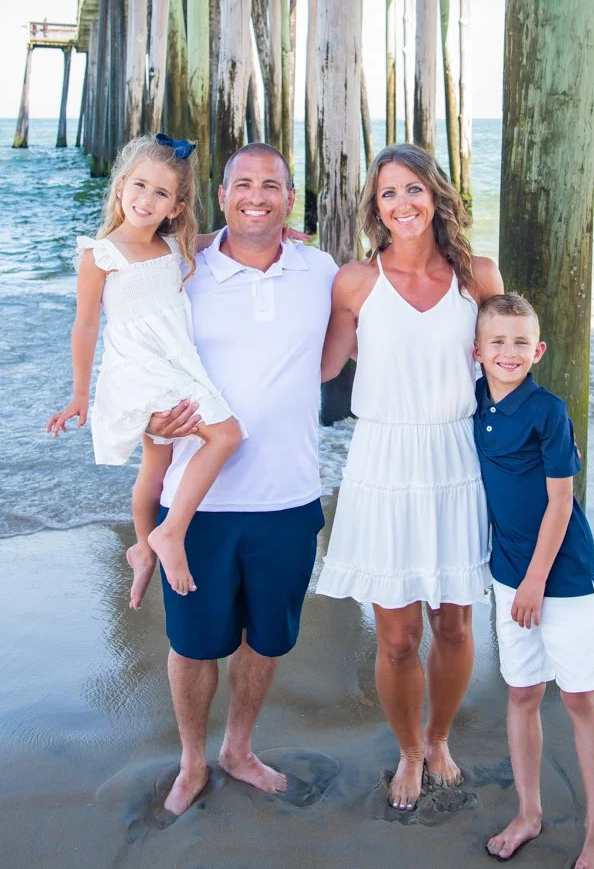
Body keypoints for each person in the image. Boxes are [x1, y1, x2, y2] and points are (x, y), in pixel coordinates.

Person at [144, 142, 337, 816]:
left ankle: (238, 748)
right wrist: (148, 430)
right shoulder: (178, 268)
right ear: (221, 195)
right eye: (243, 184)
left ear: (290, 199)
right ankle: (192, 761)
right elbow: (134, 355)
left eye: (273, 185)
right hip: (196, 505)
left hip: (288, 497)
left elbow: (363, 328)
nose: (258, 195)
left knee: (266, 638)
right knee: (193, 644)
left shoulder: (321, 269)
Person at [317, 143, 503, 811]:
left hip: (455, 460)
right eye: (388, 193)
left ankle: (439, 738)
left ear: (436, 196)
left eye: (414, 189)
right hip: (381, 462)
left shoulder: (475, 276)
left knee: (453, 624)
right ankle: (406, 750)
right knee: (396, 635)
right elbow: (315, 369)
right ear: (375, 206)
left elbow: (510, 367)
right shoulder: (353, 283)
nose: (402, 204)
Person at [47, 134, 244, 607]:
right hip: (140, 370)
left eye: (160, 193)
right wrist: (81, 396)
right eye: (138, 186)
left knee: (155, 463)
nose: (145, 199)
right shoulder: (101, 255)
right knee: (227, 435)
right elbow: (86, 325)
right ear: (119, 187)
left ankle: (142, 547)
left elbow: (214, 239)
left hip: (173, 360)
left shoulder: (173, 245)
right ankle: (169, 533)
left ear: (175, 206)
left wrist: (276, 233)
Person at [472, 293, 594, 868]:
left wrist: (535, 583)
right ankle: (529, 812)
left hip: (563, 575)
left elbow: (561, 504)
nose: (508, 352)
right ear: (477, 350)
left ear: (539, 350)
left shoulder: (549, 411)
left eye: (520, 342)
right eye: (496, 341)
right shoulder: (476, 400)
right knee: (524, 692)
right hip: (508, 570)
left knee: (579, 697)